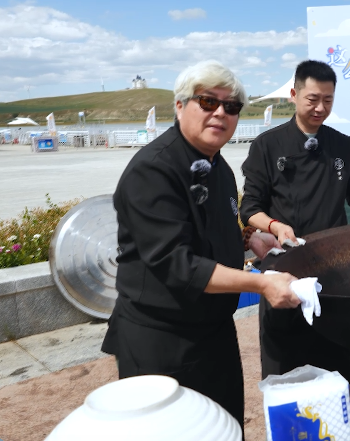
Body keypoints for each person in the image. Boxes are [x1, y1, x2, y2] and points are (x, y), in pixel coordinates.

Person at [102, 60, 301, 433]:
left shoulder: (219, 167)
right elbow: (177, 263)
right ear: (180, 107)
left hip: (214, 332)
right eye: (208, 102)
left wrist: (250, 240)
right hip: (161, 339)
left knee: (225, 428)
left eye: (232, 106)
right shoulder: (154, 170)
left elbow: (211, 232)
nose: (220, 113)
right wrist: (262, 284)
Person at [240, 60, 350, 384]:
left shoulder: (340, 144)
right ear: (294, 94)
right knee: (285, 370)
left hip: (332, 271)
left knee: (334, 368)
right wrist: (275, 227)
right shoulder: (267, 146)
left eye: (328, 99)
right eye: (313, 99)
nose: (320, 107)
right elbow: (250, 209)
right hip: (282, 271)